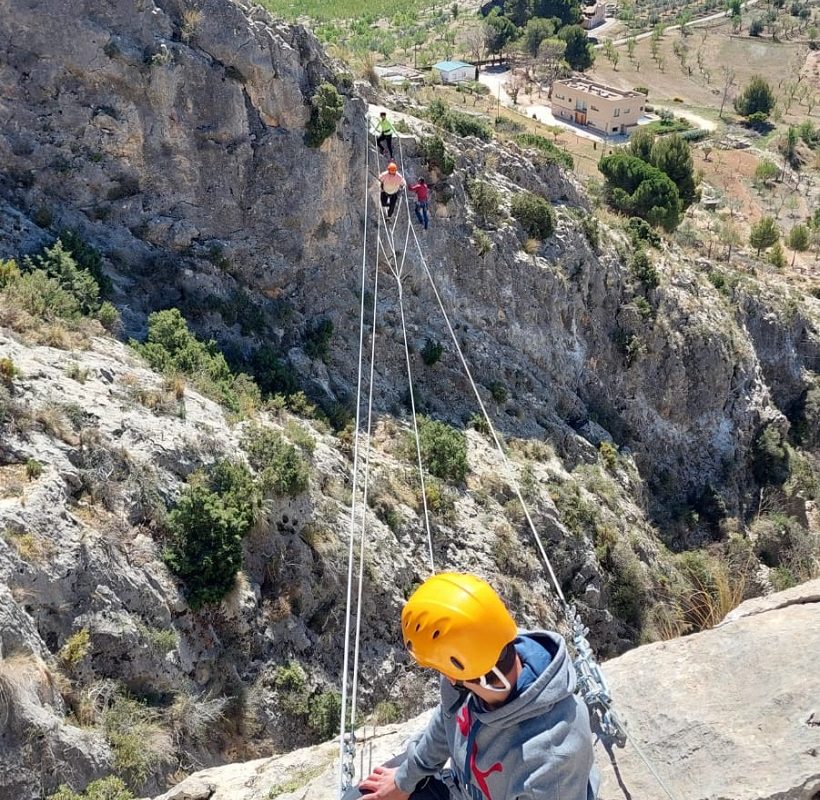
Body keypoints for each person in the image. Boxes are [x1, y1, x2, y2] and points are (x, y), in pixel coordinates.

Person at [347, 573, 599, 800]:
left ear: (455, 674)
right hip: (463, 788)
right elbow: (446, 725)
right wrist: (404, 780)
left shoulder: (552, 760)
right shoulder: (480, 658)